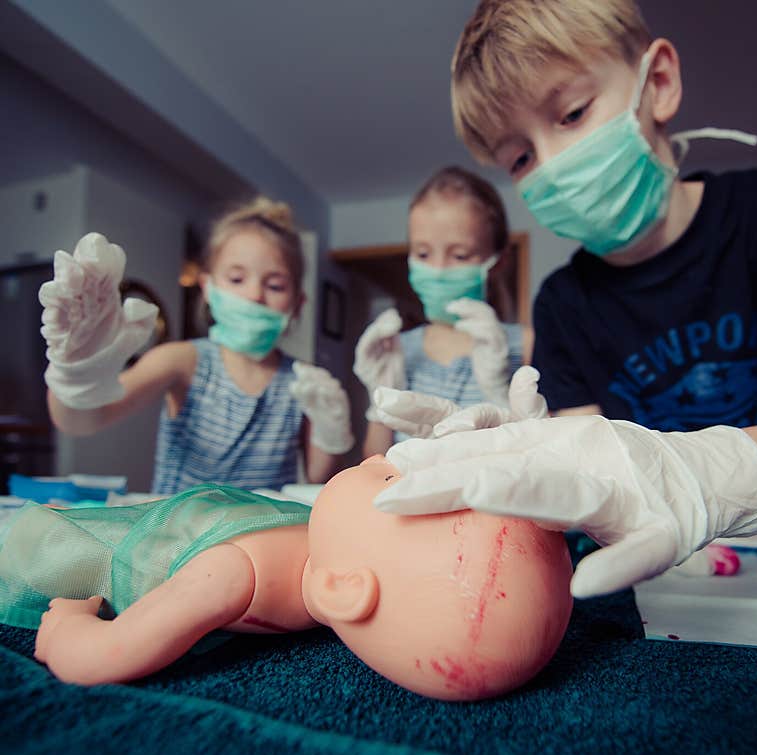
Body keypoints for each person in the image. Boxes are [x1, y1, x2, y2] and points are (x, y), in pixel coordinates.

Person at [371, 0, 757, 598]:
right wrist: (543, 463)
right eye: (521, 157)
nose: (553, 165)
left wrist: (708, 475)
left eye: (573, 113)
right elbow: (595, 485)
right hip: (677, 586)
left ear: (657, 83)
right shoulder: (562, 306)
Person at [0, 458, 573, 701]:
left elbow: (104, 657)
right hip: (191, 513)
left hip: (111, 547)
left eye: (392, 476)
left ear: (342, 588)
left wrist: (67, 627)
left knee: (29, 544)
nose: (382, 454)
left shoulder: (228, 577)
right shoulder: (334, 547)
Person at [40, 197, 354, 494]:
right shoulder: (182, 361)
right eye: (236, 279)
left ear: (298, 303)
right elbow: (82, 421)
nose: (255, 294)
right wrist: (77, 369)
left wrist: (332, 435)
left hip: (263, 543)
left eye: (274, 285)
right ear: (207, 287)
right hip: (180, 541)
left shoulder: (304, 383)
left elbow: (317, 480)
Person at [353, 165, 534, 457]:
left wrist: (499, 393)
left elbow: (545, 458)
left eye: (459, 255)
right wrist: (379, 400)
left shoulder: (523, 344)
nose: (437, 269)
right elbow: (374, 462)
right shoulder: (400, 349)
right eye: (423, 253)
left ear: (497, 263)